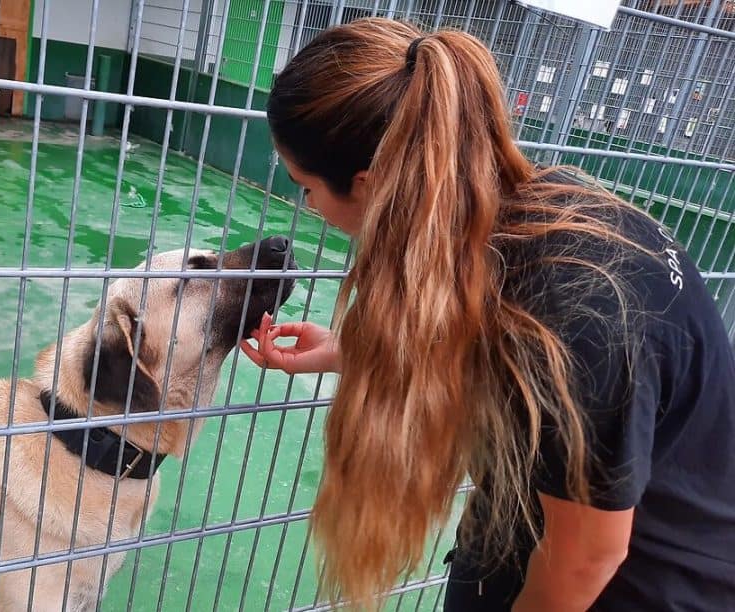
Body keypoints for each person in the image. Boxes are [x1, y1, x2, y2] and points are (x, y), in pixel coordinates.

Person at [239, 17, 735, 612]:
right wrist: (356, 352)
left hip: (638, 586)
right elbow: (482, 337)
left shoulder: (577, 309)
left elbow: (587, 558)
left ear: (370, 185)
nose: (309, 205)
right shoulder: (527, 210)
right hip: (524, 531)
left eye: (306, 187)